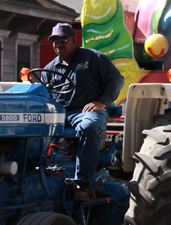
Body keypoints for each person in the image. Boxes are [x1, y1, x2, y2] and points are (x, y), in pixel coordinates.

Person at [40, 24, 123, 201]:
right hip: (59, 113)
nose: (58, 44)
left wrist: (102, 102)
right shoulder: (49, 69)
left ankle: (82, 184)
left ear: (73, 40)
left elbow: (116, 79)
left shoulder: (92, 58)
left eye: (63, 40)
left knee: (88, 126)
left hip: (86, 110)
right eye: (55, 41)